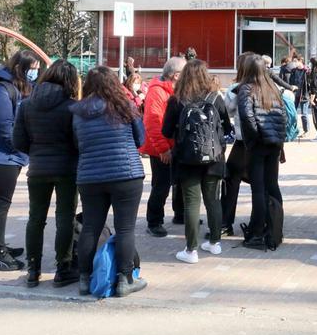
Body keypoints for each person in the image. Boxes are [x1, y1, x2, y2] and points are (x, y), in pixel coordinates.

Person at [71, 66, 147, 297]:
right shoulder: (126, 106)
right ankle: (125, 280)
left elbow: (77, 143)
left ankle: (84, 279)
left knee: (91, 227)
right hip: (126, 174)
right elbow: (140, 138)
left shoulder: (78, 111)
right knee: (125, 228)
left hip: (90, 176)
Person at [12, 60, 81, 287]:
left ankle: (33, 270)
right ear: (71, 81)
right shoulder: (72, 107)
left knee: (35, 219)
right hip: (67, 170)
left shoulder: (27, 105)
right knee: (65, 220)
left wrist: (38, 151)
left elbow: (18, 141)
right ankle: (63, 269)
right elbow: (78, 141)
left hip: (38, 169)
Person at [162, 60, 233, 264]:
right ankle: (214, 243)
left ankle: (191, 250)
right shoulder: (215, 98)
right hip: (214, 158)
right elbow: (228, 129)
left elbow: (166, 131)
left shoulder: (177, 100)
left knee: (192, 203)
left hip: (187, 159)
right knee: (213, 200)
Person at [0, 49, 40, 271]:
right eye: (32, 69)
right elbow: (4, 127)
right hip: (0, 157)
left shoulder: (14, 87)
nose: (35, 72)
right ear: (20, 68)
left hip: (4, 157)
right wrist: (24, 147)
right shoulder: (2, 90)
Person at [237, 56, 287, 249]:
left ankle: (257, 232)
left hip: (258, 145)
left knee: (258, 189)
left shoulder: (247, 89)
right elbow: (283, 115)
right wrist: (278, 139)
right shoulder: (273, 88)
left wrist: (255, 138)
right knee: (272, 185)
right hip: (274, 143)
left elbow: (247, 117)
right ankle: (276, 227)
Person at [141, 57, 187, 237]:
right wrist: (163, 149)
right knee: (161, 185)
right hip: (160, 148)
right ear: (176, 75)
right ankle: (154, 221)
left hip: (172, 145)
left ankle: (180, 213)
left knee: (178, 181)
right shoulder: (157, 92)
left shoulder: (172, 90)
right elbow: (153, 122)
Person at [222, 52, 257, 235]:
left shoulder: (235, 89)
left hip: (243, 143)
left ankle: (225, 223)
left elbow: (229, 109)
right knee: (261, 185)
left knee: (230, 181)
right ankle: (261, 225)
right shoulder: (269, 87)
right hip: (265, 143)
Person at [288, 56, 310, 138]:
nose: (294, 63)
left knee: (304, 114)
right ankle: (292, 130)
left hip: (304, 95)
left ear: (301, 61)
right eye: (293, 61)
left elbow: (309, 84)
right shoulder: (293, 71)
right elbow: (290, 81)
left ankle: (306, 131)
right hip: (295, 95)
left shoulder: (307, 71)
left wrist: (310, 94)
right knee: (292, 112)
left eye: (296, 61)